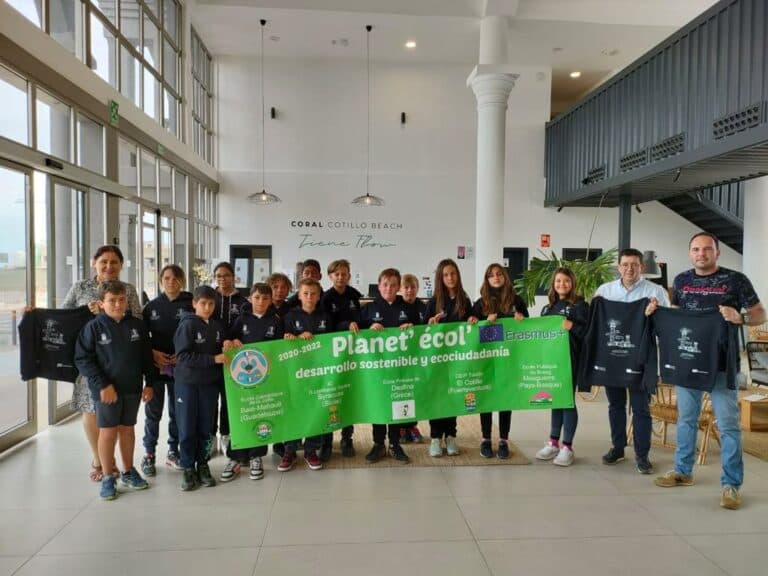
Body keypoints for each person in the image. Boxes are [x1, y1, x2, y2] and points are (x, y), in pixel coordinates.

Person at [655, 232, 765, 510]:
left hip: (721, 364)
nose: (701, 254)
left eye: (706, 249)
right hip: (688, 360)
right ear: (690, 252)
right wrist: (658, 312)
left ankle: (731, 485)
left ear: (717, 252)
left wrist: (740, 318)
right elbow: (677, 314)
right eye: (695, 249)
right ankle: (682, 471)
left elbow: (760, 313)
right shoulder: (681, 280)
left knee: (728, 425)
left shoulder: (735, 280)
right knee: (686, 419)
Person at [60, 244, 143, 483]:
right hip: (90, 361)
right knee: (91, 409)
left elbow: (137, 318)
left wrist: (108, 311)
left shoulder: (127, 289)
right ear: (93, 263)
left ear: (121, 265)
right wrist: (86, 312)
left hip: (119, 359)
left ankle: (116, 463)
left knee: (116, 413)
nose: (109, 266)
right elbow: (65, 318)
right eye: (104, 261)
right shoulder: (81, 287)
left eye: (114, 262)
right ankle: (99, 460)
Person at [74, 281, 154, 500]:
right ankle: (108, 476)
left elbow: (146, 358)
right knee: (108, 432)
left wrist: (151, 384)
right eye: (112, 301)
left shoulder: (137, 326)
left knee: (127, 430)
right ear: (101, 303)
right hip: (106, 391)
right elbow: (83, 359)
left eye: (121, 300)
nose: (117, 305)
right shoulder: (93, 327)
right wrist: (103, 385)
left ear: (126, 301)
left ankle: (128, 471)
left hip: (132, 388)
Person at [593, 248, 669, 474]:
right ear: (618, 267)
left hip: (641, 359)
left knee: (641, 408)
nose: (629, 269)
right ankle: (617, 447)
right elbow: (596, 323)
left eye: (634, 265)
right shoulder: (604, 291)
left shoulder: (656, 292)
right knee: (615, 405)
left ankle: (642, 455)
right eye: (625, 264)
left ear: (641, 267)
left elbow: (665, 327)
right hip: (612, 358)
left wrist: (654, 313)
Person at [220, 283, 284, 482]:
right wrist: (231, 342)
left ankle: (257, 456)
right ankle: (235, 457)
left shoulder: (276, 321)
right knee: (242, 415)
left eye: (266, 298)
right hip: (242, 380)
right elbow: (227, 341)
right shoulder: (241, 320)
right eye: (257, 298)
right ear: (250, 298)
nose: (261, 302)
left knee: (261, 414)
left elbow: (282, 347)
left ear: (271, 300)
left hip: (265, 379)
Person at [356, 268, 420, 463]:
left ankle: (394, 443)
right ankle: (378, 444)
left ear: (398, 287)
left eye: (393, 285)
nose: (389, 288)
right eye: (385, 284)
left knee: (396, 404)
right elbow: (355, 331)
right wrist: (369, 329)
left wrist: (412, 327)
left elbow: (423, 332)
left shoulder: (408, 308)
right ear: (379, 285)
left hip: (400, 367)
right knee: (379, 404)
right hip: (376, 369)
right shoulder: (368, 308)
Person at [140, 265, 193, 477]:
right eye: (167, 278)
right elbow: (142, 339)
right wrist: (154, 354)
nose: (171, 282)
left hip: (182, 368)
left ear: (182, 280)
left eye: (176, 278)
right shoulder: (151, 307)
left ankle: (173, 450)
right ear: (161, 280)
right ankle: (149, 453)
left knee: (176, 412)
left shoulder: (191, 304)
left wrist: (182, 356)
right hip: (156, 368)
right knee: (153, 413)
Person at [472, 264, 528, 459]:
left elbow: (527, 328)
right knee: (486, 398)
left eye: (498, 274)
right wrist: (482, 321)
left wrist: (521, 319)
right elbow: (471, 330)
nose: (495, 278)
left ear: (504, 276)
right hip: (486, 360)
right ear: (486, 280)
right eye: (491, 275)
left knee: (506, 398)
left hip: (508, 358)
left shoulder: (517, 300)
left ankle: (504, 440)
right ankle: (485, 439)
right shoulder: (480, 303)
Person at [174, 285, 227, 491]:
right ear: (194, 304)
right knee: (187, 427)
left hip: (209, 384)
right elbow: (183, 356)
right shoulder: (187, 325)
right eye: (203, 303)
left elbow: (222, 346)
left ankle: (203, 465)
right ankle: (188, 468)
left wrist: (229, 344)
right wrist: (214, 359)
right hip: (187, 384)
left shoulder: (216, 326)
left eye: (211, 304)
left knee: (206, 428)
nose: (207, 307)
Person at [535, 267, 589, 466]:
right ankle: (553, 442)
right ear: (553, 284)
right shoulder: (548, 308)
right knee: (555, 400)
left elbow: (589, 333)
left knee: (567, 401)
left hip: (571, 361)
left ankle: (568, 447)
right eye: (558, 281)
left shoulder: (580, 305)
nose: (562, 284)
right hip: (552, 362)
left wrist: (572, 326)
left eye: (566, 281)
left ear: (572, 283)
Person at [426, 259, 478, 457]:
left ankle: (451, 436)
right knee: (437, 398)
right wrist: (431, 323)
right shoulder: (433, 302)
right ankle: (435, 438)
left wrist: (472, 319)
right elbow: (424, 331)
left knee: (453, 395)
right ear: (440, 277)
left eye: (453, 274)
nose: (450, 278)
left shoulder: (464, 299)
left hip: (457, 361)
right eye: (446, 275)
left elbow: (472, 320)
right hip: (437, 362)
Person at [278, 278, 331, 472]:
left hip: (318, 372)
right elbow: (281, 343)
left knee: (315, 409)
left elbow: (332, 344)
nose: (309, 297)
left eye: (313, 293)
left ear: (319, 296)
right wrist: (294, 339)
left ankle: (311, 450)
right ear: (299, 295)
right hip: (295, 372)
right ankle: (290, 450)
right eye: (306, 293)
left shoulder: (326, 316)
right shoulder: (290, 316)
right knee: (294, 409)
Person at [321, 259, 363, 459]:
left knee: (349, 395)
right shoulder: (325, 298)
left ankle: (347, 438)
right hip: (332, 354)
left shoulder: (355, 296)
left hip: (352, 354)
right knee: (331, 396)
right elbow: (325, 325)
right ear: (330, 276)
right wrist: (345, 325)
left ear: (349, 275)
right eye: (336, 274)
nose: (340, 277)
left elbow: (362, 321)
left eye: (344, 273)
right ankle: (327, 442)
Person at [212, 262, 251, 454]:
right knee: (211, 399)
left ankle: (226, 434)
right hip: (212, 356)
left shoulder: (243, 302)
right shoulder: (209, 299)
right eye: (218, 275)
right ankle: (211, 437)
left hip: (234, 359)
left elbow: (246, 328)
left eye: (226, 275)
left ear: (234, 277)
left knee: (228, 399)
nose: (222, 279)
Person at [266, 272, 293, 458]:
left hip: (288, 362)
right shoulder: (260, 307)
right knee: (272, 401)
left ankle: (285, 439)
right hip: (267, 363)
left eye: (284, 287)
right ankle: (273, 438)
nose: (279, 290)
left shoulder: (292, 308)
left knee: (286, 401)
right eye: (275, 287)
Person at [398, 273, 427, 443]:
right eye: (406, 288)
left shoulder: (423, 306)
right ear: (401, 289)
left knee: (415, 393)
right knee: (402, 392)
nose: (409, 291)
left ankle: (412, 426)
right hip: (400, 359)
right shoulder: (397, 306)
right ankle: (402, 427)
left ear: (417, 288)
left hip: (418, 358)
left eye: (413, 287)